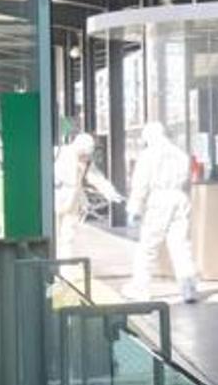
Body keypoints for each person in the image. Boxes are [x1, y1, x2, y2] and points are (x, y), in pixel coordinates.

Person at [123, 122, 199, 304]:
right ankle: (189, 288)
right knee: (181, 246)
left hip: (159, 200)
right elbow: (189, 177)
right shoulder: (180, 154)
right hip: (181, 198)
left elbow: (141, 184)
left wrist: (134, 208)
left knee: (148, 246)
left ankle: (140, 288)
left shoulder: (149, 155)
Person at [54, 132, 122, 259]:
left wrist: (110, 192)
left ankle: (65, 265)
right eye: (84, 154)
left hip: (73, 200)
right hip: (55, 197)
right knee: (53, 233)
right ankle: (53, 263)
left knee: (68, 235)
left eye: (87, 155)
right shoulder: (58, 153)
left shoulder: (86, 162)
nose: (85, 157)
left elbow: (96, 177)